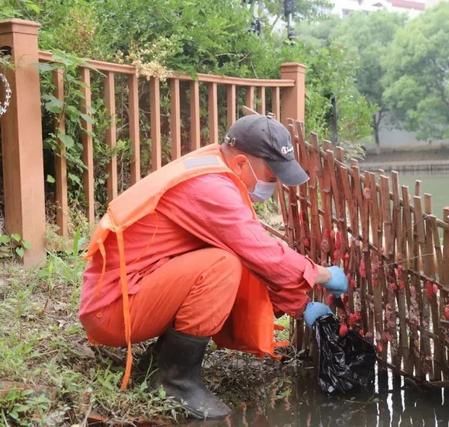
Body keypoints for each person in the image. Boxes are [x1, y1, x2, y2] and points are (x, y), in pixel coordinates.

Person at [78, 114, 344, 420]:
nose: (276, 183)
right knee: (221, 265)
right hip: (112, 309)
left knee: (225, 257)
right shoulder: (212, 188)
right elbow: (263, 254)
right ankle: (175, 381)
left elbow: (253, 253)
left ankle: (157, 363)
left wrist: (300, 305)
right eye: (272, 174)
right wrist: (323, 274)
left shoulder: (212, 165)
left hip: (126, 291)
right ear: (242, 163)